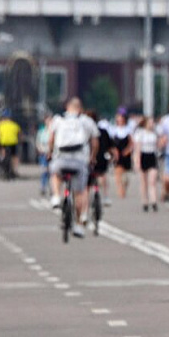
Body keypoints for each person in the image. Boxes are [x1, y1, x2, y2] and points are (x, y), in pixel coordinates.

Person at [48, 97, 101, 238]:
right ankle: (78, 224)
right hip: (79, 161)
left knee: (55, 174)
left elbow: (51, 139)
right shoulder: (86, 121)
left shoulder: (58, 120)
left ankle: (56, 196)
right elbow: (95, 142)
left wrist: (50, 152)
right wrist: (92, 157)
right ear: (80, 108)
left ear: (67, 107)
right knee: (80, 192)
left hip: (61, 159)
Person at [134, 116, 161, 212]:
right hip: (143, 156)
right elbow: (138, 148)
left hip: (152, 156)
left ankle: (153, 201)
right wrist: (137, 161)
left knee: (152, 181)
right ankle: (145, 201)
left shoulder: (155, 133)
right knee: (143, 182)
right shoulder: (140, 133)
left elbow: (158, 146)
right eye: (150, 122)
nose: (152, 124)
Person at [109, 110, 135, 200]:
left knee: (126, 177)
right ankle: (120, 190)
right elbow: (111, 143)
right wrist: (113, 151)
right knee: (118, 173)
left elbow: (132, 143)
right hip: (117, 153)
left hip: (126, 153)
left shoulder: (128, 130)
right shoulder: (114, 130)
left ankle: (124, 186)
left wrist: (128, 150)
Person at [0, 111, 22, 178]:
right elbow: (19, 134)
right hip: (13, 142)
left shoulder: (0, 125)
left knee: (2, 153)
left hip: (3, 142)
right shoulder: (15, 125)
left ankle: (2, 159)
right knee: (14, 156)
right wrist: (19, 140)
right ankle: (14, 170)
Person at [35, 114, 53, 196]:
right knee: (44, 171)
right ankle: (43, 186)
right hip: (43, 153)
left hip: (52, 154)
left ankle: (52, 188)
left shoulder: (54, 131)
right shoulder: (42, 131)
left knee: (52, 172)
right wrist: (40, 149)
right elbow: (38, 141)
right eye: (47, 120)